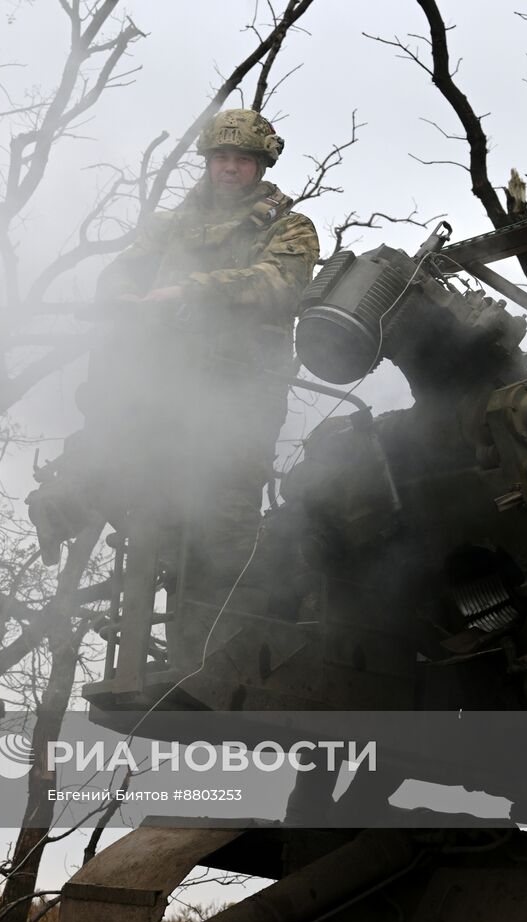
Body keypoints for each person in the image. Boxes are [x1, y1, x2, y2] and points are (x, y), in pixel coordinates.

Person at [27, 108, 320, 664]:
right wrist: (120, 296)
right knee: (131, 487)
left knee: (225, 531)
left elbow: (277, 283)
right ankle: (71, 502)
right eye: (220, 158)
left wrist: (189, 291)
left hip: (239, 401)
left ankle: (217, 658)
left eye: (241, 160)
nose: (229, 168)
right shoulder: (170, 225)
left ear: (260, 165)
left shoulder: (290, 228)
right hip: (163, 391)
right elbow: (121, 272)